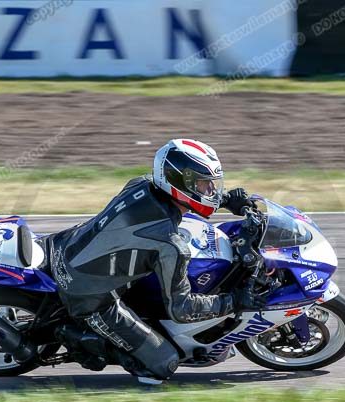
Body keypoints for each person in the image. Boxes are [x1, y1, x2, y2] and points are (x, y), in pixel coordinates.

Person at [40, 138, 258, 383]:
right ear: (179, 182)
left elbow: (187, 201)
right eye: (204, 184)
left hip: (63, 245)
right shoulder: (169, 245)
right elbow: (182, 310)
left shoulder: (141, 184)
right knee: (163, 364)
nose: (210, 191)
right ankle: (85, 342)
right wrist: (235, 301)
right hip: (88, 295)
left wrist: (227, 200)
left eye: (212, 185)